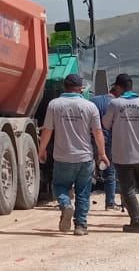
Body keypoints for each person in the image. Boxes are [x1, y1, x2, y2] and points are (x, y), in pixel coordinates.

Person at [38, 72, 109, 235]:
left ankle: (65, 204)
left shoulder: (54, 105)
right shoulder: (90, 106)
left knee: (60, 186)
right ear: (81, 89)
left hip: (63, 157)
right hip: (85, 157)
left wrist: (41, 149)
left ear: (64, 87)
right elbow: (98, 132)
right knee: (83, 191)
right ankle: (81, 225)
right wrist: (102, 154)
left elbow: (47, 130)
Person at [100, 73, 139, 233]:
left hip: (122, 155)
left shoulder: (115, 104)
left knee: (127, 188)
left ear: (120, 87)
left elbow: (105, 125)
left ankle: (136, 222)